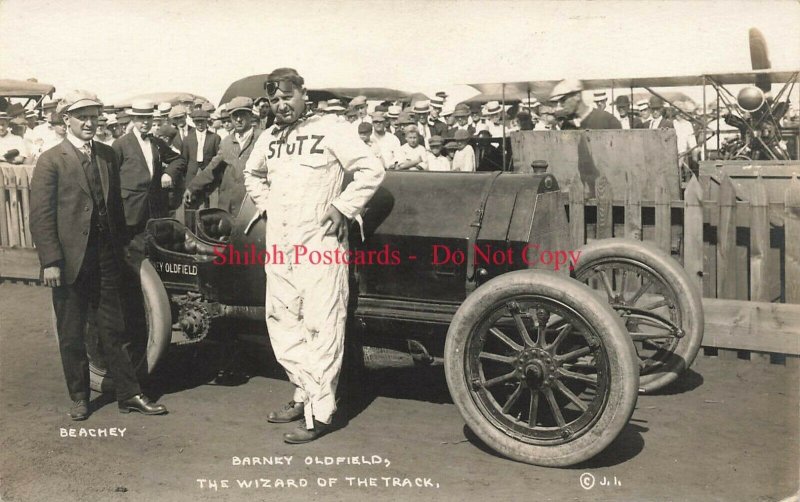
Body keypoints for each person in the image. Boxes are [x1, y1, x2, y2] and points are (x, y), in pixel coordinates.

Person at [243, 68, 384, 444]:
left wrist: (343, 206)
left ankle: (320, 413)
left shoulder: (333, 128)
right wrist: (266, 202)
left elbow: (371, 168)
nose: (280, 105)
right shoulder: (270, 136)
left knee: (321, 325)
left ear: (304, 93)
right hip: (281, 244)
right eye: (274, 100)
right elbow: (251, 173)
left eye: (287, 97)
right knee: (282, 322)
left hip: (320, 245)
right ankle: (303, 391)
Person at [29, 90, 167, 420]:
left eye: (94, 117)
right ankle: (80, 397)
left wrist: (122, 248)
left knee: (114, 328)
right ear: (67, 121)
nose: (90, 123)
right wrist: (51, 261)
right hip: (69, 260)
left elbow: (115, 207)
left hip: (106, 256)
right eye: (83, 117)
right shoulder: (51, 160)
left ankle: (130, 394)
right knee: (73, 331)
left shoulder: (107, 155)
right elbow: (41, 216)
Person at [112, 100, 186, 237]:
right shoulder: (120, 144)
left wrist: (169, 174)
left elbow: (179, 159)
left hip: (156, 209)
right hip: (131, 211)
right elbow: (112, 178)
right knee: (134, 253)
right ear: (133, 119)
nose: (145, 122)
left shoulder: (156, 143)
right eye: (141, 118)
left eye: (148, 118)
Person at [184, 96, 261, 216]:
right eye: (235, 116)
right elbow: (212, 168)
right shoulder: (226, 142)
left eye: (242, 115)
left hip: (253, 206)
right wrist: (193, 187)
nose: (239, 119)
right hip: (228, 207)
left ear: (250, 116)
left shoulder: (261, 139)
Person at [180, 109, 221, 206]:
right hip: (192, 175)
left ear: (207, 121)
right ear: (193, 122)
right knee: (192, 204)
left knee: (209, 203)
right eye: (197, 122)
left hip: (209, 175)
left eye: (202, 121)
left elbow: (218, 159)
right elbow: (184, 160)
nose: (200, 124)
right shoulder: (187, 139)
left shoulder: (215, 138)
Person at [549, 79, 621, 130]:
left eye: (563, 100)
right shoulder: (567, 125)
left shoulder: (608, 120)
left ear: (577, 96)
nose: (561, 105)